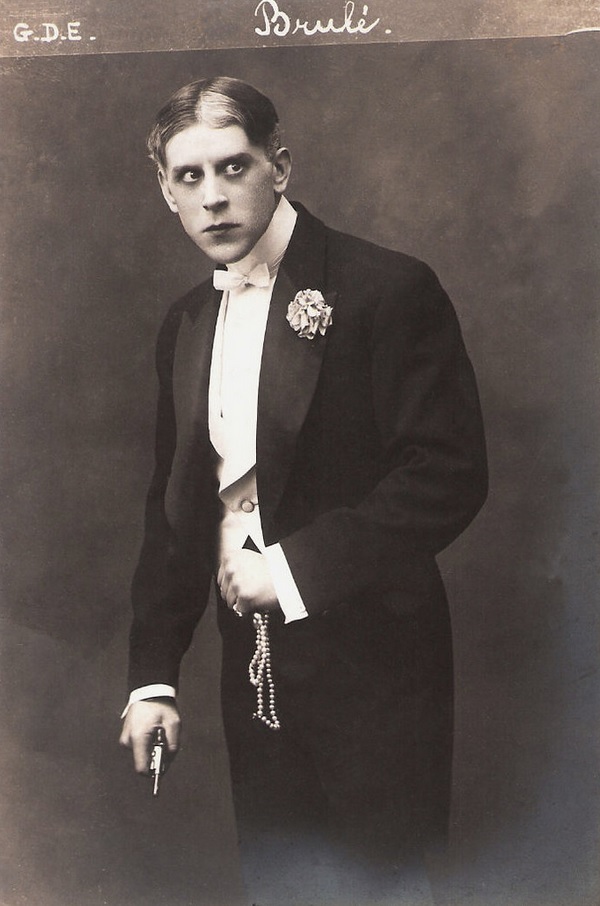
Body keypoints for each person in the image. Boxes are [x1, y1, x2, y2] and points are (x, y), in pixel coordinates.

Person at [120, 75, 487, 903]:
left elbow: (449, 473)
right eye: (189, 177)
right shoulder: (187, 322)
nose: (213, 197)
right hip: (254, 686)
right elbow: (176, 512)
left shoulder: (387, 289)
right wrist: (153, 677)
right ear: (166, 192)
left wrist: (288, 572)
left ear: (279, 167)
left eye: (234, 167)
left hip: (377, 675)